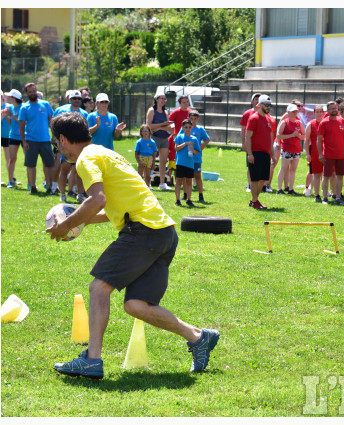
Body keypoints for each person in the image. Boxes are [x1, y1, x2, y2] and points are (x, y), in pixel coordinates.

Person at [46, 113, 219, 379]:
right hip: (163, 232)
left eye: (56, 142)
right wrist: (79, 222)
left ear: (63, 139)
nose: (58, 148)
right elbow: (110, 207)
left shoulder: (86, 159)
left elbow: (97, 200)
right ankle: (199, 336)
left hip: (143, 232)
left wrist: (65, 225)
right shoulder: (104, 152)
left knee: (98, 287)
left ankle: (92, 360)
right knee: (136, 305)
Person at [18, 82, 55, 194]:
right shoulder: (24, 107)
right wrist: (24, 141)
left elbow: (52, 121)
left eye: (34, 91)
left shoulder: (46, 104)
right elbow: (21, 126)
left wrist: (54, 136)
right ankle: (32, 186)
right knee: (31, 164)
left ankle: (50, 186)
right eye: (30, 92)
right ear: (27, 94)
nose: (33, 93)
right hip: (31, 140)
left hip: (45, 140)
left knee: (49, 164)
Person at [53, 90, 89, 202]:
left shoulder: (84, 114)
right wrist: (57, 141)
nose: (77, 100)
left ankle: (80, 193)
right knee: (64, 169)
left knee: (80, 171)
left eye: (79, 99)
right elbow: (54, 126)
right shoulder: (62, 110)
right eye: (74, 98)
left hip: (79, 146)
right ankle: (63, 194)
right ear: (70, 99)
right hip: (66, 145)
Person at [317, 101, 344, 205]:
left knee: (340, 176)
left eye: (335, 108)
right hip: (328, 154)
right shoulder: (324, 123)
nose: (334, 110)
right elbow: (319, 139)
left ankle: (338, 197)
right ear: (328, 110)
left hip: (341, 154)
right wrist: (320, 154)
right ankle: (325, 198)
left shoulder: (342, 121)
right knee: (326, 176)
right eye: (332, 108)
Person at [245, 95, 274, 209]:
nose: (268, 107)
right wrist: (250, 153)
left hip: (265, 153)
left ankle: (254, 200)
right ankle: (255, 201)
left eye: (269, 105)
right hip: (255, 152)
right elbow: (248, 136)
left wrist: (272, 152)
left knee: (263, 178)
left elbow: (270, 137)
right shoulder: (253, 118)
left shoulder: (268, 119)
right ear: (260, 105)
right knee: (255, 178)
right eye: (266, 105)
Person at [276, 104, 305, 195]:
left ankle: (291, 189)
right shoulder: (284, 122)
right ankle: (279, 189)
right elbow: (278, 136)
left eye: (296, 111)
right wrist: (291, 135)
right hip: (286, 149)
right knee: (283, 168)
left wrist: (298, 136)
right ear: (288, 112)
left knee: (293, 170)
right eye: (293, 111)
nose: (295, 113)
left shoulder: (299, 122)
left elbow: (303, 136)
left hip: (296, 149)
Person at [146, 93, 172, 191]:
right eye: (162, 98)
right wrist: (162, 125)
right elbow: (148, 125)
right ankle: (147, 184)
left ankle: (162, 183)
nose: (164, 100)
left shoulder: (165, 111)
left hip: (164, 138)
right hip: (154, 137)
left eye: (165, 99)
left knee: (163, 161)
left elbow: (168, 126)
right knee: (150, 161)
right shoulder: (152, 110)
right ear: (156, 99)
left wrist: (161, 127)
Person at [173, 119, 200, 207]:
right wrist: (185, 143)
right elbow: (176, 148)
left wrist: (193, 150)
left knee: (189, 181)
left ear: (192, 127)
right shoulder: (179, 137)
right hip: (180, 163)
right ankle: (177, 200)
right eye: (186, 127)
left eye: (189, 127)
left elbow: (197, 151)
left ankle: (189, 199)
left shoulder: (194, 139)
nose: (188, 129)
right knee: (178, 181)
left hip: (190, 163)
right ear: (182, 128)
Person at [186, 110, 210, 202]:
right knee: (186, 177)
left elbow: (207, 139)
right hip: (186, 157)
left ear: (198, 119)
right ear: (188, 118)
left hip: (196, 157)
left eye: (195, 119)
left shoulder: (200, 129)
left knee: (197, 176)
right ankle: (186, 195)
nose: (193, 121)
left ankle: (201, 195)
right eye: (191, 118)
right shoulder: (185, 128)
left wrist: (201, 147)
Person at [2, 89, 24, 188]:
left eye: (9, 97)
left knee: (28, 160)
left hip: (24, 135)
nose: (7, 98)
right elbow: (11, 123)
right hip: (13, 136)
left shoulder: (23, 107)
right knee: (12, 159)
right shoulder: (10, 107)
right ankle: (10, 181)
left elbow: (22, 121)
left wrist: (10, 115)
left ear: (14, 98)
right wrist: (7, 116)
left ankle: (31, 184)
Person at [240, 93, 261, 192]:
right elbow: (243, 130)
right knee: (250, 165)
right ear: (252, 101)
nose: (257, 101)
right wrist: (244, 143)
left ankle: (259, 185)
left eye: (259, 99)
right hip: (250, 144)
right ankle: (250, 185)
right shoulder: (247, 113)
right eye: (255, 99)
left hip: (261, 145)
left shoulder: (265, 114)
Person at [305, 104, 325, 202]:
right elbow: (306, 140)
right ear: (314, 113)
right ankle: (316, 195)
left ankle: (326, 193)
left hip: (327, 151)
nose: (319, 113)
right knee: (316, 174)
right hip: (315, 152)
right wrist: (307, 154)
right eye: (317, 111)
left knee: (326, 174)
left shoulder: (326, 123)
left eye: (321, 111)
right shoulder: (311, 124)